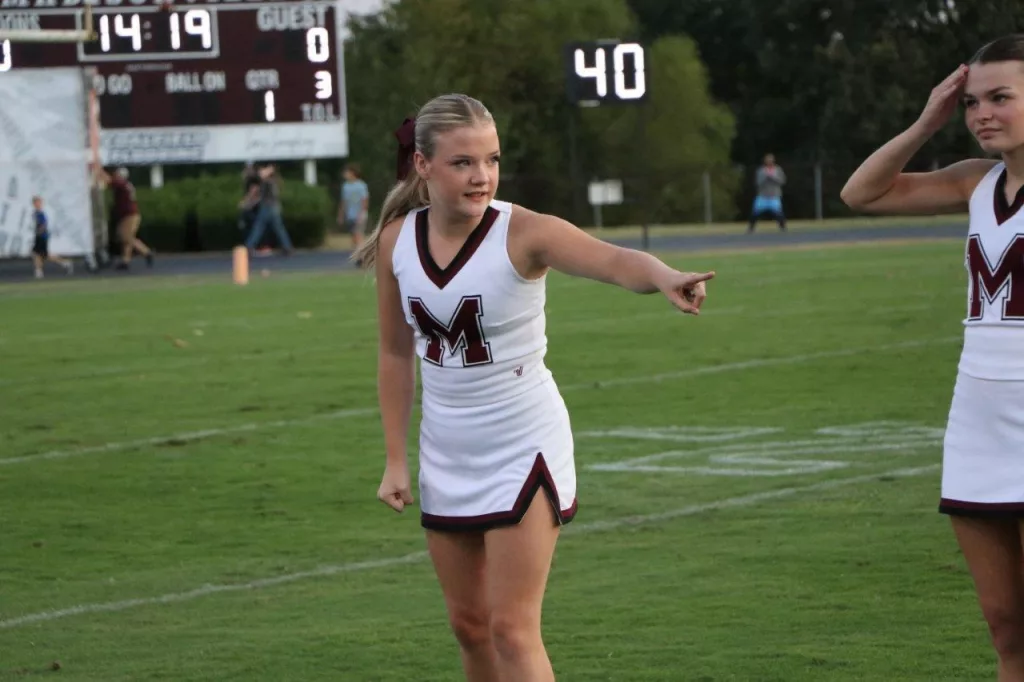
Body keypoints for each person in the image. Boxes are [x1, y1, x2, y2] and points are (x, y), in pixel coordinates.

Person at [352, 93, 715, 682]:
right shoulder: (398, 240)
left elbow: (613, 260)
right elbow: (395, 353)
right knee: (469, 627)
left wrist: (664, 275)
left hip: (522, 443)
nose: (482, 176)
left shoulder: (523, 232)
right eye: (463, 162)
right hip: (447, 449)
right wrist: (396, 459)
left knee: (512, 630)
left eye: (492, 160)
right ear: (422, 165)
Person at [840, 35, 1024, 681]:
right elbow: (861, 194)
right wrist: (926, 123)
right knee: (1006, 626)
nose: (982, 114)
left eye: (1000, 97)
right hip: (978, 421)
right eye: (972, 102)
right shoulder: (977, 181)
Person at [97, 167, 154, 271]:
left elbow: (108, 181)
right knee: (126, 238)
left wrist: (98, 169)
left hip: (129, 215)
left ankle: (146, 252)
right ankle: (125, 261)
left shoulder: (122, 184)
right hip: (128, 214)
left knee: (125, 237)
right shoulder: (126, 185)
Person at [244, 163, 294, 256]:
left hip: (268, 206)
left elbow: (259, 176)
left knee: (259, 227)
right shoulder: (271, 181)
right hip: (273, 207)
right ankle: (287, 247)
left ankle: (249, 246)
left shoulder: (269, 182)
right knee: (278, 228)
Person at [29, 195, 73, 279]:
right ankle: (40, 271)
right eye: (35, 202)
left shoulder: (40, 213)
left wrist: (39, 231)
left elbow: (43, 224)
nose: (36, 204)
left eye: (38, 202)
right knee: (39, 254)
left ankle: (40, 271)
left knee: (39, 254)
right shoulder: (36, 213)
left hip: (42, 236)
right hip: (40, 236)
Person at [748, 153, 787, 232]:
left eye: (771, 160)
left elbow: (782, 181)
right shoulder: (761, 170)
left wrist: (773, 177)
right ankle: (751, 228)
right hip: (763, 195)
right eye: (767, 160)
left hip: (774, 195)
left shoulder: (778, 170)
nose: (769, 162)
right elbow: (758, 183)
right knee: (755, 212)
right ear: (765, 161)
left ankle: (783, 228)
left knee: (778, 212)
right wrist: (765, 178)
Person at [339, 163, 370, 256]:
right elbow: (344, 202)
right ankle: (358, 254)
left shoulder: (361, 185)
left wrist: (362, 214)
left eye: (346, 172)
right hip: (350, 215)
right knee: (353, 237)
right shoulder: (345, 186)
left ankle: (362, 256)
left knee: (358, 234)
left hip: (360, 214)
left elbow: (365, 200)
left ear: (352, 173)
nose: (345, 174)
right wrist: (341, 215)